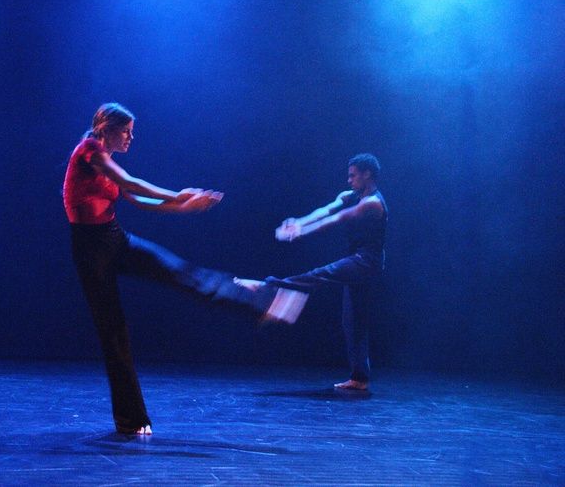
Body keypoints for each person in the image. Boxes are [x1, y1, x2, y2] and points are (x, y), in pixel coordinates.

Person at [63, 103, 306, 435]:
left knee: (180, 272)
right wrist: (178, 196)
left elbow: (140, 201)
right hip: (90, 251)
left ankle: (262, 301)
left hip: (115, 239)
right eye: (126, 131)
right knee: (113, 333)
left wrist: (184, 207)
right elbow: (131, 183)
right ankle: (131, 421)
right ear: (106, 128)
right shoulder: (89, 149)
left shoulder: (106, 162)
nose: (131, 137)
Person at [235, 154, 388, 391]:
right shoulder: (350, 196)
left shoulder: (373, 203)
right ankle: (360, 379)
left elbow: (339, 218)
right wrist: (300, 222)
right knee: (353, 322)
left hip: (367, 262)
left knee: (320, 274)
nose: (349, 180)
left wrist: (303, 232)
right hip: (359, 261)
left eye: (353, 175)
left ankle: (267, 286)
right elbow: (325, 210)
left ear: (367, 174)